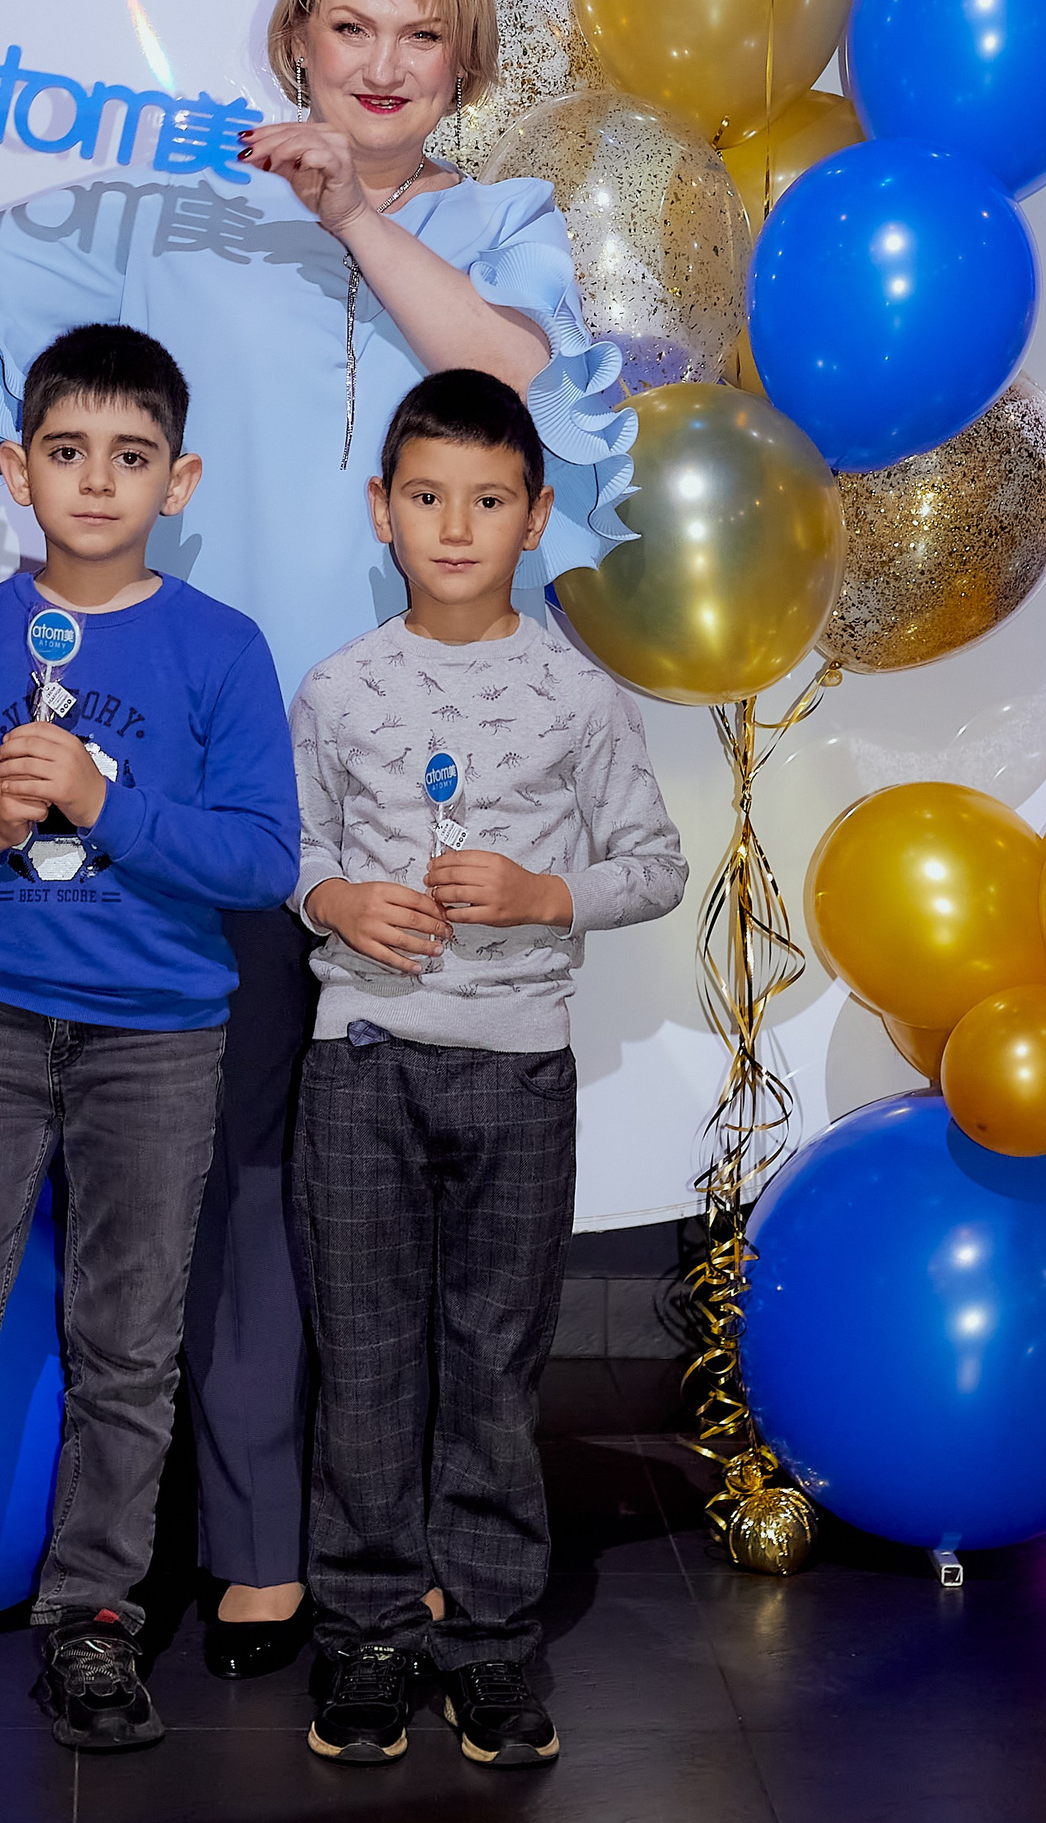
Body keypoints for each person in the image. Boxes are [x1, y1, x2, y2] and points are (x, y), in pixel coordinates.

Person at [0, 0, 633, 1678]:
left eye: (420, 37)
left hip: (435, 783)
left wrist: (356, 218)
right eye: (350, 28)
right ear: (295, 40)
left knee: (424, 1192)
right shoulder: (173, 219)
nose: (382, 66)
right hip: (230, 791)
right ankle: (258, 1547)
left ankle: (406, 1544)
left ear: (465, 67)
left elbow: (511, 386)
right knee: (248, 1177)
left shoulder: (505, 228)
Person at [0, 323, 300, 1768]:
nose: (100, 483)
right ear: (20, 469)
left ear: (182, 478)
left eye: (133, 457)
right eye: (70, 453)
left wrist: (104, 799)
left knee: (129, 1351)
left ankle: (95, 1622)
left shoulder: (223, 649)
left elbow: (263, 861)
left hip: (159, 1039)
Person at [288, 369, 687, 1770]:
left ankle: (495, 1650)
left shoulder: (580, 701)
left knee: (496, 1368)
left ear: (533, 520)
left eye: (490, 499)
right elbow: (297, 850)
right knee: (369, 1368)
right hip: (361, 1066)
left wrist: (539, 894)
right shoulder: (335, 689)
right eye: (426, 496)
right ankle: (367, 1639)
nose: (455, 525)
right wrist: (334, 904)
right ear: (383, 513)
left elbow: (654, 867)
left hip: (519, 1076)